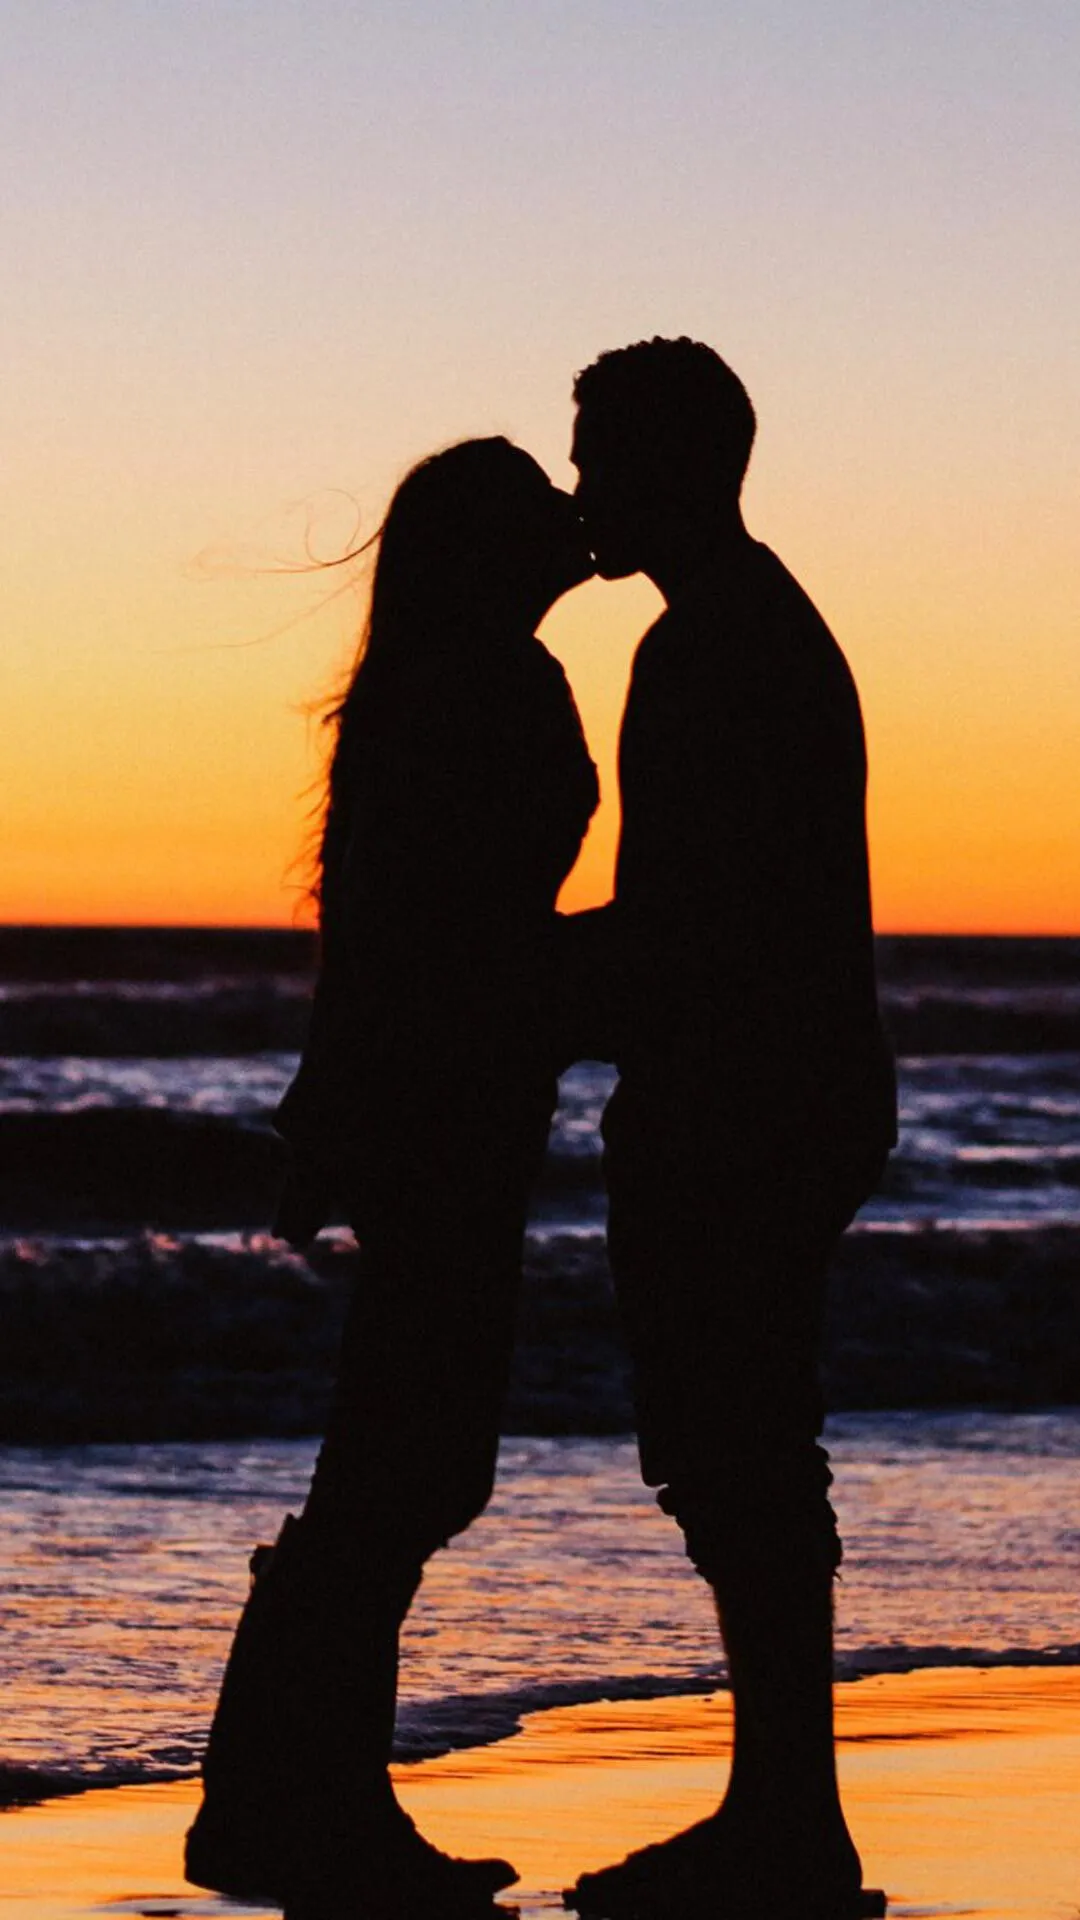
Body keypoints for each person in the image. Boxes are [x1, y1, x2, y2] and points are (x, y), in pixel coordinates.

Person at [184, 437, 599, 1915]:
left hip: (446, 1103)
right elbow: (445, 932)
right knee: (410, 1459)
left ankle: (281, 1797)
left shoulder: (443, 679)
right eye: (541, 506)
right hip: (451, 1107)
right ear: (491, 548)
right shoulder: (481, 684)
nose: (574, 516)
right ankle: (300, 1803)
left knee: (401, 1455)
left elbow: (392, 922)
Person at [561, 339, 896, 1920]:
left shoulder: (711, 650)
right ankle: (784, 1813)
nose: (581, 491)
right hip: (791, 1090)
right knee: (744, 1451)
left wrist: (495, 981)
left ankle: (788, 1826)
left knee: (737, 1451)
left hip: (745, 1101)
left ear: (676, 465)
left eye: (598, 456)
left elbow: (686, 925)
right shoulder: (749, 629)